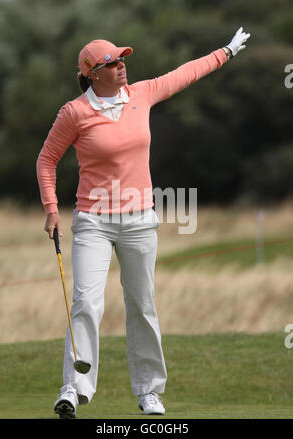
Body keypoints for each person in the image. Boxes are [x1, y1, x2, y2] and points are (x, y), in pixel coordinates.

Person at [36, 27, 250, 418]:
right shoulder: (75, 112)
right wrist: (51, 207)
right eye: (112, 63)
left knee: (143, 305)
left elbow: (184, 74)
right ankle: (73, 388)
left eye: (123, 61)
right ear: (92, 74)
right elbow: (46, 160)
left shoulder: (141, 94)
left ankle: (150, 392)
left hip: (138, 221)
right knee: (85, 301)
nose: (122, 67)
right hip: (93, 221)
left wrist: (226, 51)